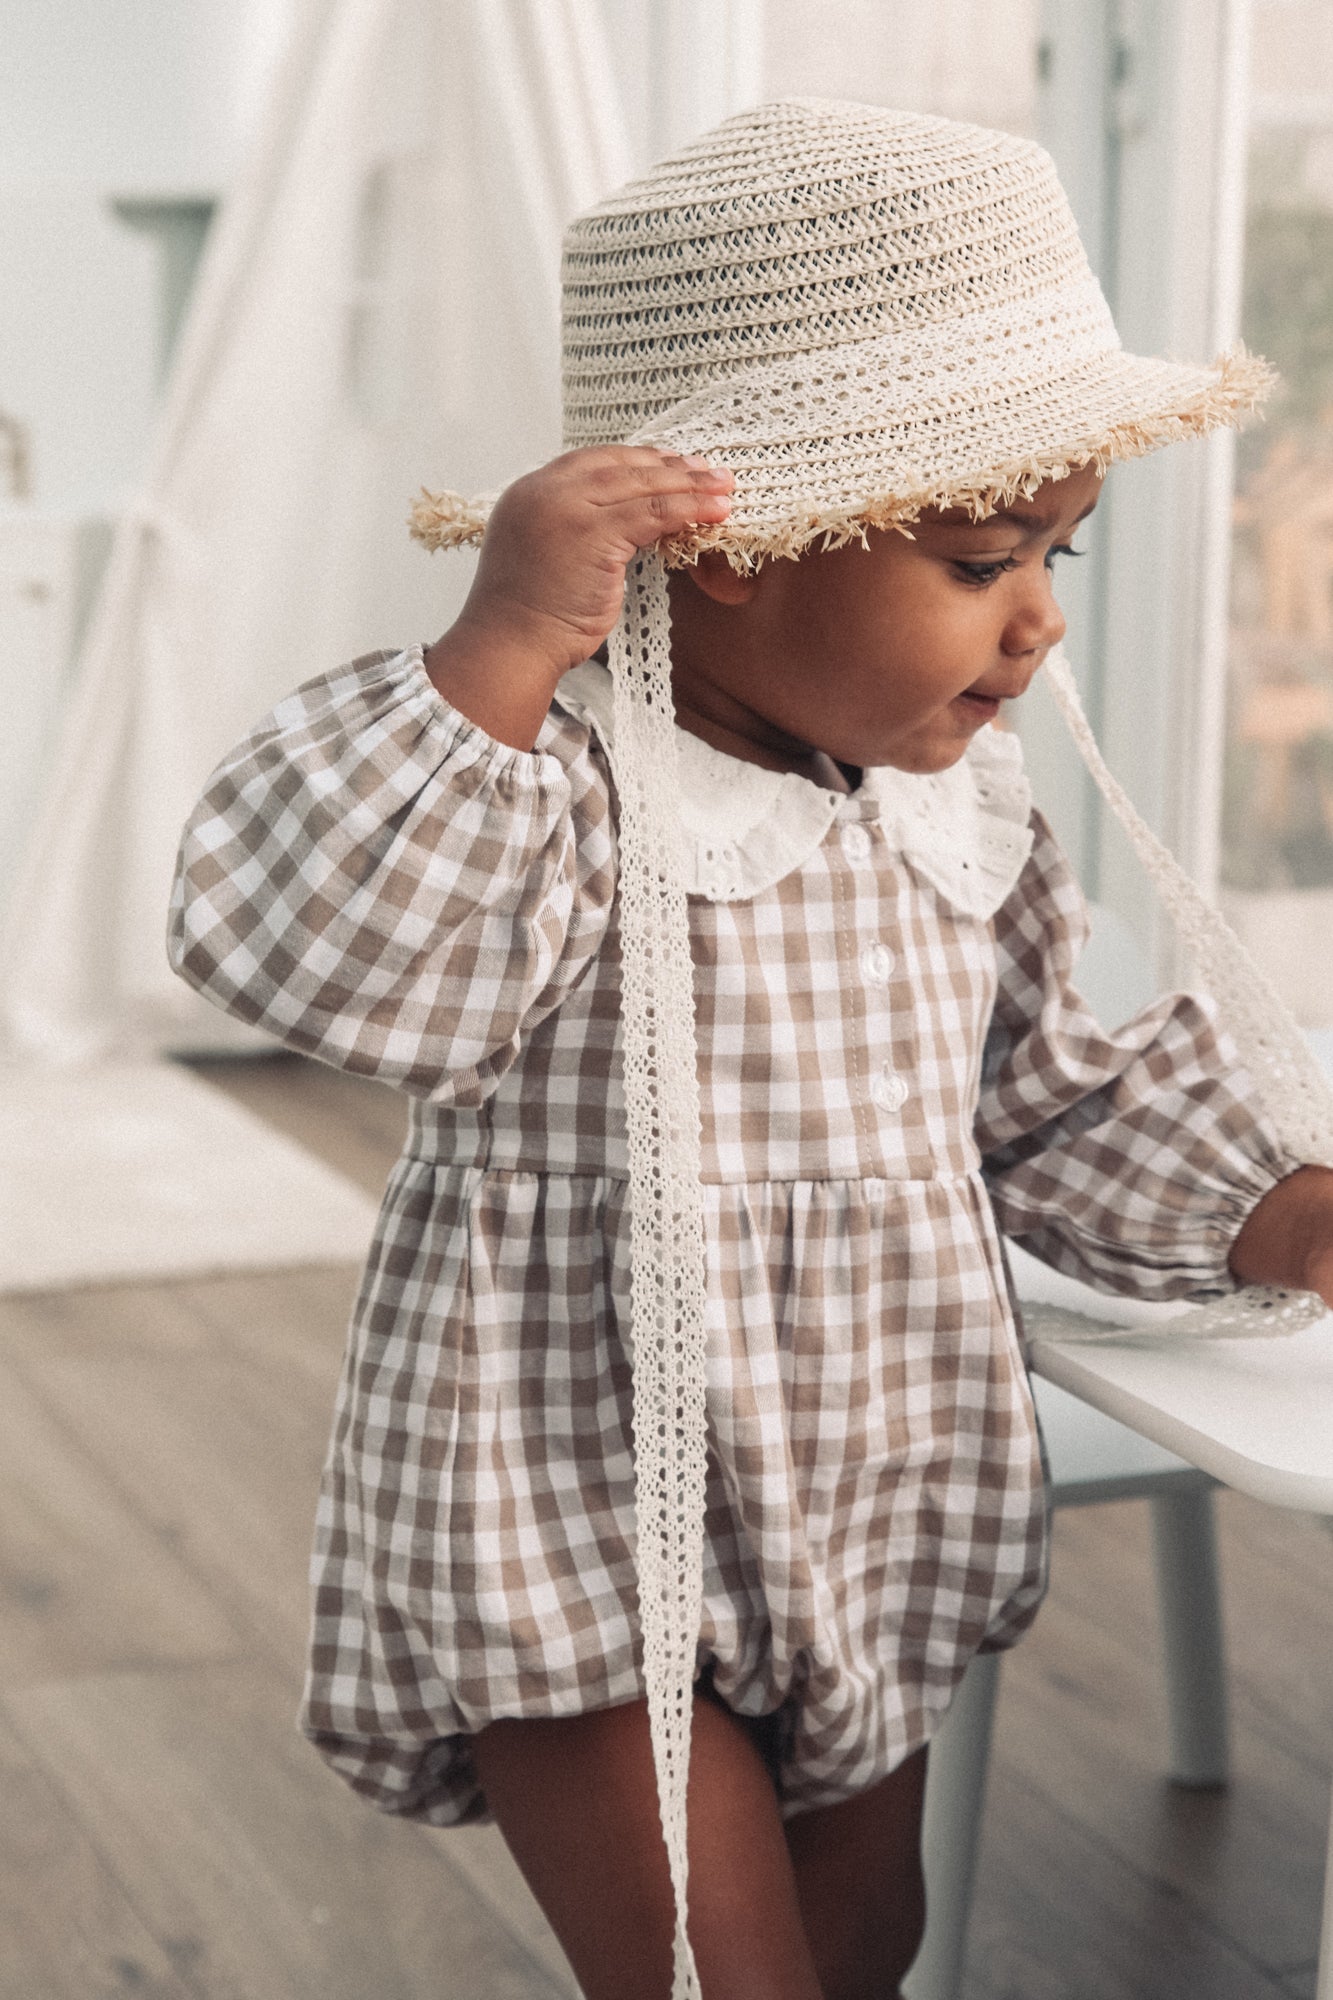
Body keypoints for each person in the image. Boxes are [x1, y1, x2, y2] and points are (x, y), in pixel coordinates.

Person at [169, 102, 1333, 2000]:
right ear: (735, 549)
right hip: (572, 1501)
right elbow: (321, 949)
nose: (1039, 620)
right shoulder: (546, 795)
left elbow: (1059, 1091)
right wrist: (506, 640)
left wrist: (1283, 1213)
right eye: (978, 560)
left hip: (866, 1493)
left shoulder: (951, 813)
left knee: (869, 1937)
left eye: (1058, 550)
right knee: (723, 1975)